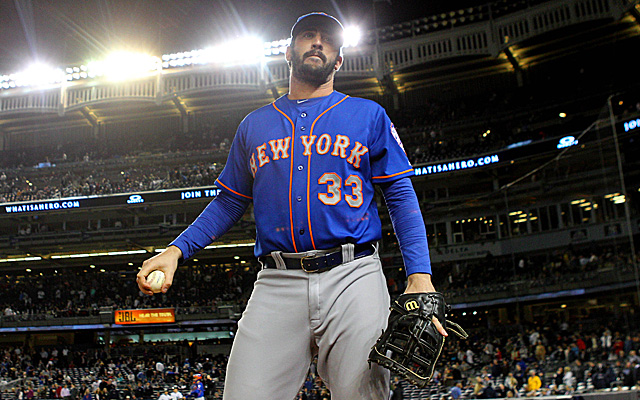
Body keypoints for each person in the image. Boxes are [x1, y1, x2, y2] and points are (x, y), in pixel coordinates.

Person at [137, 11, 445, 400]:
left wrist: (419, 274)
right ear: (287, 51)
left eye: (328, 40)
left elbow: (400, 196)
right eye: (308, 35)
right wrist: (176, 250)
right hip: (277, 280)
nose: (318, 43)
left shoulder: (368, 115)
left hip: (353, 275)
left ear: (340, 60)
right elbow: (229, 202)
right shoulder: (254, 125)